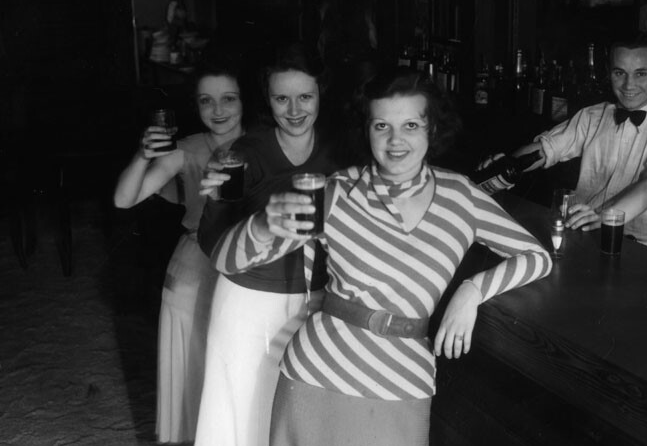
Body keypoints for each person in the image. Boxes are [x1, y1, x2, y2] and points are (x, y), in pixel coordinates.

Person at [209, 67, 552, 446]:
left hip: (404, 380)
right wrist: (260, 226)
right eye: (381, 127)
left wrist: (472, 291)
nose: (395, 141)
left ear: (432, 130)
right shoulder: (336, 191)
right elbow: (226, 262)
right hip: (318, 374)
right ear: (366, 130)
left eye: (410, 126)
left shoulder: (463, 198)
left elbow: (536, 256)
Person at [193, 41, 340, 446]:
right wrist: (214, 199)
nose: (294, 111)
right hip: (248, 302)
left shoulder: (341, 150)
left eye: (305, 97)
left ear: (320, 93)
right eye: (281, 98)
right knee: (241, 412)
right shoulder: (242, 154)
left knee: (299, 420)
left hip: (317, 301)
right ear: (268, 100)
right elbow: (212, 243)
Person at [113, 59, 246, 444]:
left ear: (245, 102)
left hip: (249, 270)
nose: (218, 111)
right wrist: (142, 154)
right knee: (195, 378)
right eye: (207, 101)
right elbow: (124, 199)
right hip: (196, 267)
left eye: (229, 99)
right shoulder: (187, 149)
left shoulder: (265, 145)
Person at [483, 31, 647, 252]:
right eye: (619, 72)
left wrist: (604, 216)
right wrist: (507, 164)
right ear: (609, 72)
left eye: (641, 74)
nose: (628, 85)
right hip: (585, 238)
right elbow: (546, 149)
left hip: (641, 250)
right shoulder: (592, 116)